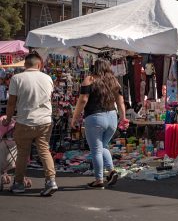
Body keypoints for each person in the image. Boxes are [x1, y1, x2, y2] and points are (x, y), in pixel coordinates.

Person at [2, 53, 57, 196]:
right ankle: (51, 180)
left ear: (25, 65)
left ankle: (19, 183)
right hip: (45, 121)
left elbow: (11, 102)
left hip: (24, 121)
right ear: (39, 65)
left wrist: (8, 119)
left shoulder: (17, 79)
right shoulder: (47, 78)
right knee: (44, 150)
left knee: (22, 153)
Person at [71, 59, 128, 189]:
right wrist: (123, 117)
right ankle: (112, 171)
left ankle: (99, 180)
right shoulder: (114, 81)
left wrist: (75, 117)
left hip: (95, 118)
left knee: (96, 150)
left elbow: (83, 100)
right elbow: (121, 101)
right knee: (103, 146)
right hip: (112, 118)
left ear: (94, 67)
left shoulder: (90, 79)